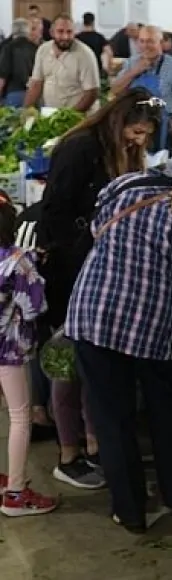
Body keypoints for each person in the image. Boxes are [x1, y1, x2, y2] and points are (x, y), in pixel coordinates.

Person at [67, 148, 172, 533]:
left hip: (92, 313)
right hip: (155, 327)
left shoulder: (119, 188)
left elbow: (98, 231)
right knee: (169, 414)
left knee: (112, 418)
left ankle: (129, 510)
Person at [37, 89, 162, 489]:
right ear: (117, 120)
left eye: (145, 135)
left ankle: (95, 447)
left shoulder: (119, 151)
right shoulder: (79, 148)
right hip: (70, 269)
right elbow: (54, 212)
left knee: (92, 366)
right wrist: (86, 246)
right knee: (68, 362)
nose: (139, 142)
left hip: (97, 267)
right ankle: (68, 453)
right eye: (136, 131)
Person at [0, 193, 56, 517]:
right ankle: (17, 493)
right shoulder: (17, 261)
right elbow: (35, 308)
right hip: (10, 350)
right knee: (20, 418)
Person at [110, 25, 172, 152]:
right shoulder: (131, 63)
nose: (145, 45)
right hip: (134, 128)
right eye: (142, 41)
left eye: (150, 41)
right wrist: (135, 71)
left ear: (161, 43)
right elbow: (115, 90)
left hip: (164, 129)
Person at [24, 14, 100, 114]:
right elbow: (36, 84)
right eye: (60, 31)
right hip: (52, 115)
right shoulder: (43, 50)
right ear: (52, 32)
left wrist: (69, 116)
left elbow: (92, 92)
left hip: (81, 118)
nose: (65, 36)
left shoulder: (85, 55)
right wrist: (26, 110)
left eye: (69, 32)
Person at [0, 18, 37, 107]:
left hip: (13, 94)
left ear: (13, 31)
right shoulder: (36, 48)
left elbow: (2, 78)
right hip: (33, 94)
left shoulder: (8, 47)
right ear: (28, 31)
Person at [76, 12, 108, 76]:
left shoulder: (77, 38)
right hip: (96, 70)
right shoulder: (99, 37)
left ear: (83, 22)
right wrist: (106, 69)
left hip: (80, 70)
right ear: (93, 22)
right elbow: (108, 52)